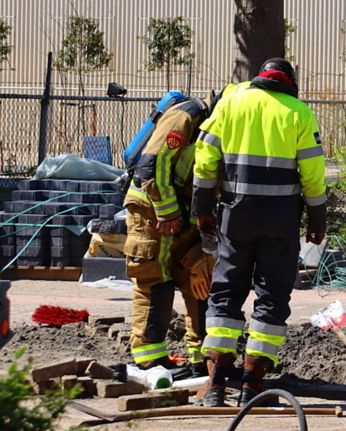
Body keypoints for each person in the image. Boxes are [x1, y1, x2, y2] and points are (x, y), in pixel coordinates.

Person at [192, 58, 328, 407]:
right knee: (272, 295)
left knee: (225, 291)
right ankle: (252, 386)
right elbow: (313, 173)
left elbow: (205, 159)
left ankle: (216, 385)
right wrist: (317, 221)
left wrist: (202, 209)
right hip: (280, 220)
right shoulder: (299, 113)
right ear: (290, 83)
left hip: (235, 215)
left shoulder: (231, 102)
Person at [124, 96, 213, 378]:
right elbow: (152, 165)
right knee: (155, 280)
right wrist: (168, 213)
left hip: (188, 217)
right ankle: (150, 361)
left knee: (200, 280)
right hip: (153, 210)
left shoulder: (229, 128)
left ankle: (202, 360)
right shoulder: (187, 115)